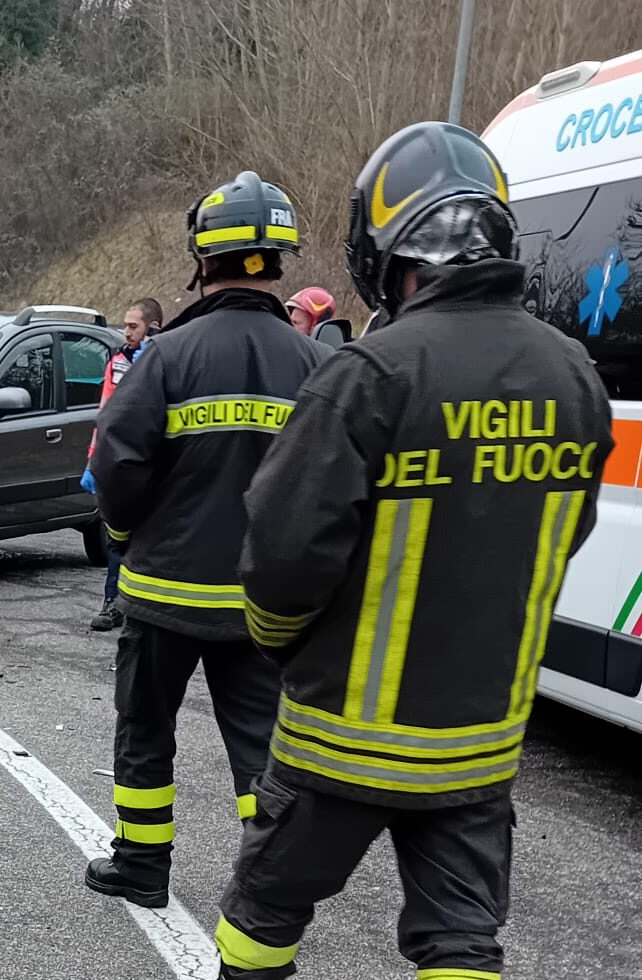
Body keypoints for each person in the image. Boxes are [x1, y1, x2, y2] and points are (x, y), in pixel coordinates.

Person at [213, 122, 615, 980]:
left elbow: (281, 556)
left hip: (339, 740)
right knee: (461, 947)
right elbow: (565, 536)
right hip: (480, 747)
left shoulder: (369, 373)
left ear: (387, 249)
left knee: (261, 920)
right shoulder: (576, 374)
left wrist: (283, 645)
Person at [84, 171, 330, 909]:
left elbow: (116, 465)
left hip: (162, 595)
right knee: (260, 750)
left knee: (146, 729)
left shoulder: (166, 356)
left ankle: (142, 865)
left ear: (204, 261)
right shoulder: (319, 366)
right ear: (276, 262)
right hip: (263, 603)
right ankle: (265, 885)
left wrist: (127, 538)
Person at [82, 297, 163, 632]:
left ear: (152, 329)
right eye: (125, 325)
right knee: (117, 535)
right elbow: (106, 413)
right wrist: (93, 459)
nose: (126, 332)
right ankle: (113, 603)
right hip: (119, 462)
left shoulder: (166, 361)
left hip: (153, 466)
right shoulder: (117, 361)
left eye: (133, 326)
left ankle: (149, 608)